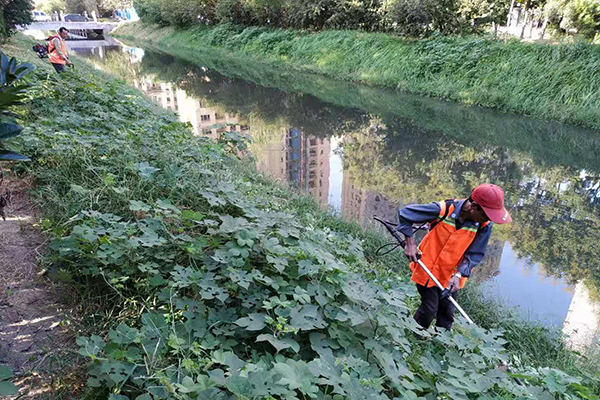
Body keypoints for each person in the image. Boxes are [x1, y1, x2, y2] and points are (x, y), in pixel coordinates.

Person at [397, 183, 512, 330]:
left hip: (452, 276)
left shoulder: (484, 224)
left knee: (447, 314)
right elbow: (406, 213)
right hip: (428, 270)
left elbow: (475, 253)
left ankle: (441, 346)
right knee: (429, 310)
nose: (488, 219)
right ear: (473, 206)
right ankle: (414, 339)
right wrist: (410, 242)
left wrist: (459, 274)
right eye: (486, 214)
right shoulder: (443, 210)